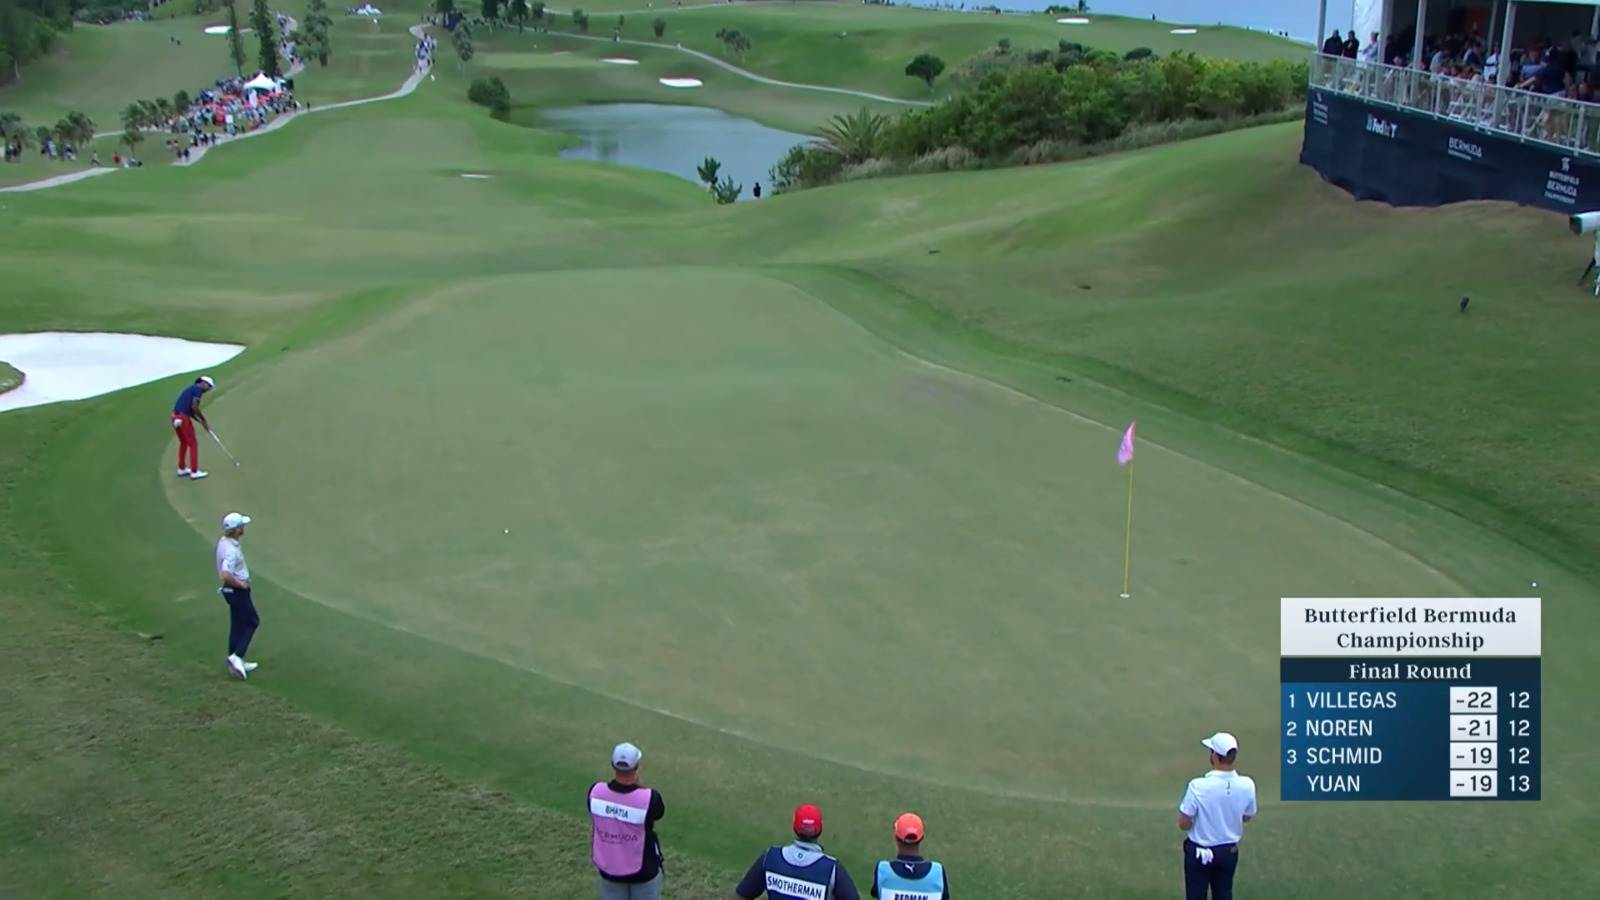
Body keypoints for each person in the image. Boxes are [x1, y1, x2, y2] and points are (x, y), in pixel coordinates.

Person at [1178, 732, 1258, 900]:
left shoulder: (1198, 786)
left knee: (1195, 895)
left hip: (1200, 852)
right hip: (1228, 852)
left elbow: (1183, 823)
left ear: (1215, 756)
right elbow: (1247, 816)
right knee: (1224, 894)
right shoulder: (1247, 785)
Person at [589, 742, 666, 899]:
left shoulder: (595, 791)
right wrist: (640, 786)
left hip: (609, 868)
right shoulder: (650, 797)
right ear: (636, 766)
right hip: (644, 870)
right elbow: (658, 813)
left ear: (613, 765)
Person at [735, 804, 860, 899]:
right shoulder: (832, 869)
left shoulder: (771, 856)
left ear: (794, 826)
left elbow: (742, 894)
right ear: (820, 829)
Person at [216, 511, 260, 680]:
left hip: (231, 591)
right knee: (252, 621)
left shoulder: (225, 542)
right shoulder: (230, 551)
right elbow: (225, 574)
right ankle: (237, 656)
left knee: (237, 623)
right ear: (236, 530)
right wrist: (241, 584)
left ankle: (235, 658)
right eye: (241, 526)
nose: (243, 528)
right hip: (237, 591)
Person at [870, 813, 948, 900]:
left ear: (896, 837)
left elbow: (875, 892)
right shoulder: (937, 872)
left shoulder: (883, 870)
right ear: (922, 837)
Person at [171, 375, 214, 479]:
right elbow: (194, 407)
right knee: (193, 444)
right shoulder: (198, 390)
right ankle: (194, 472)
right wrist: (204, 420)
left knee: (184, 443)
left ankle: (181, 469)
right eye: (209, 387)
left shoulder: (190, 389)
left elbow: (190, 411)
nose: (208, 390)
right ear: (203, 383)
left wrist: (201, 422)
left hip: (174, 417)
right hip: (183, 418)